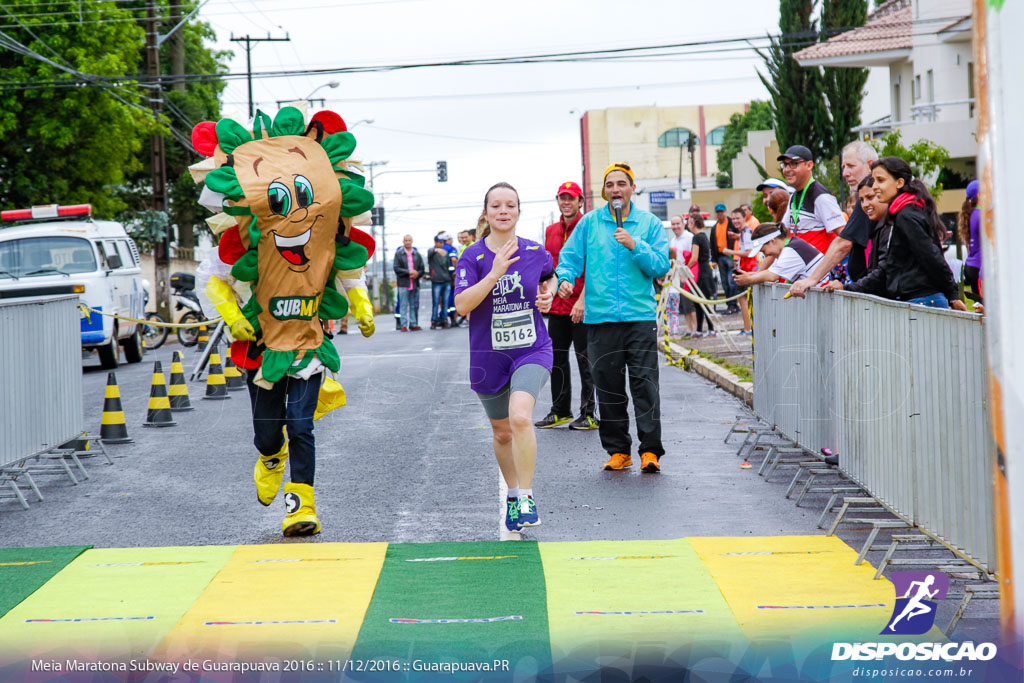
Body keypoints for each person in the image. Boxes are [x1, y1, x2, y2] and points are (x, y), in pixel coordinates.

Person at [555, 163, 670, 473]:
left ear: (632, 188)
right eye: (610, 185)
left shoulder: (648, 224)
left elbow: (660, 267)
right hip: (600, 318)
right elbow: (569, 258)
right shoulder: (590, 223)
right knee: (608, 387)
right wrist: (565, 278)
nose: (616, 189)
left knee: (645, 385)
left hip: (638, 316)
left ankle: (650, 451)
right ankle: (619, 450)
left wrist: (635, 244)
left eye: (622, 183)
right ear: (604, 191)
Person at [454, 182, 556, 531]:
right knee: (501, 433)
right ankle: (513, 494)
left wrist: (549, 295)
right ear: (486, 212)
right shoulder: (472, 256)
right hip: (488, 355)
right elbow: (463, 305)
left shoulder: (534, 251)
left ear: (517, 211)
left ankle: (526, 496)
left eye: (509, 205)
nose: (503, 211)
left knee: (520, 418)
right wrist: (495, 273)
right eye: (495, 206)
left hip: (531, 348)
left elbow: (549, 276)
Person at [844, 157, 967, 310]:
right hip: (918, 300)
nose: (874, 187)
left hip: (923, 301)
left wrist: (952, 295)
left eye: (880, 180)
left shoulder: (906, 216)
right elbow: (891, 265)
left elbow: (931, 256)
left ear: (899, 182)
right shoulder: (901, 213)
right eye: (874, 180)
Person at [535, 181, 598, 431]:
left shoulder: (589, 226)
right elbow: (548, 268)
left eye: (571, 198)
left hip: (584, 305)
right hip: (558, 307)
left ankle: (589, 413)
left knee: (586, 361)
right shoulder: (551, 230)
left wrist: (582, 299)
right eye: (563, 198)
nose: (567, 202)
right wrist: (546, 291)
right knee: (556, 359)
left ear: (580, 201)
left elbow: (595, 266)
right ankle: (560, 410)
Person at [788, 140, 877, 298]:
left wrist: (813, 278)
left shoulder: (821, 195)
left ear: (870, 165)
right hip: (867, 287)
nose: (845, 173)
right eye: (843, 167)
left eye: (851, 166)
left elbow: (844, 241)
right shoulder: (793, 197)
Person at [825, 175, 891, 297]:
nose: (865, 204)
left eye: (870, 197)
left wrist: (847, 288)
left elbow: (882, 273)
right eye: (861, 200)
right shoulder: (878, 227)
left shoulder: (891, 226)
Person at [777, 145, 847, 256]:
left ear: (809, 165)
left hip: (818, 270)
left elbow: (844, 237)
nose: (787, 170)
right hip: (801, 269)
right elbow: (783, 233)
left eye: (794, 164)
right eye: (785, 165)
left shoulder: (821, 197)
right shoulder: (793, 197)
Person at [734, 223, 827, 288]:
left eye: (763, 250)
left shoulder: (791, 250)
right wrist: (748, 275)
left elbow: (772, 276)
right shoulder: (791, 246)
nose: (765, 254)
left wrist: (749, 279)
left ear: (773, 241)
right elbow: (770, 272)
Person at [721, 208, 753, 335]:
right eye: (733, 218)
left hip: (748, 269)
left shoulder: (747, 232)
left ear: (744, 217)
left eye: (737, 218)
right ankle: (747, 327)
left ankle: (748, 329)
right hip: (743, 267)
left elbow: (749, 252)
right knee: (742, 300)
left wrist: (731, 252)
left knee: (744, 300)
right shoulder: (743, 233)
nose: (735, 221)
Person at [685, 210, 716, 337]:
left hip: (701, 273)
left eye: (688, 222)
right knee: (704, 300)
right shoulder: (704, 236)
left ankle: (704, 329)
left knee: (700, 301)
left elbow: (694, 257)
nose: (687, 224)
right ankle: (707, 328)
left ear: (693, 222)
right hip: (706, 271)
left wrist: (685, 268)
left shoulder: (696, 237)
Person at [668, 215, 696, 335]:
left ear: (683, 224)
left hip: (688, 274)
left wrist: (686, 272)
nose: (676, 227)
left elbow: (694, 257)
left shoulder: (690, 237)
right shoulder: (673, 240)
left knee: (691, 303)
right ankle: (688, 329)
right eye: (673, 224)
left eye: (678, 223)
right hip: (676, 277)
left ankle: (695, 329)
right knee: (683, 305)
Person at [710, 202, 739, 315]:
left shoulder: (732, 223)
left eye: (722, 212)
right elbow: (712, 244)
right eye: (718, 212)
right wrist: (714, 259)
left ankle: (733, 304)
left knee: (731, 281)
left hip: (731, 255)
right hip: (721, 256)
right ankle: (729, 305)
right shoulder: (715, 227)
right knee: (724, 283)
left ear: (725, 212)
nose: (720, 214)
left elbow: (738, 238)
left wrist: (736, 256)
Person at [393, 234, 424, 331]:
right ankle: (403, 324)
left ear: (412, 241)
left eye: (409, 240)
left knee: (413, 305)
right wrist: (408, 272)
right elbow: (396, 268)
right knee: (403, 305)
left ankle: (413, 324)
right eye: (406, 240)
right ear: (403, 242)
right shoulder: (399, 254)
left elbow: (422, 268)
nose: (407, 242)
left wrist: (417, 273)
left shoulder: (417, 254)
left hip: (414, 283)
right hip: (403, 284)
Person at [959, 179, 982, 304]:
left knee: (981, 308)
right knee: (987, 309)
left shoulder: (971, 214)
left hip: (971, 266)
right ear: (979, 195)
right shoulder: (981, 216)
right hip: (980, 267)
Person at [428, 233, 456, 329]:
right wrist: (437, 250)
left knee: (446, 302)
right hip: (436, 280)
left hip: (446, 280)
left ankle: (444, 319)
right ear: (436, 242)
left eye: (443, 242)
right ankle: (434, 320)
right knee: (436, 302)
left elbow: (449, 265)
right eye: (440, 242)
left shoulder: (446, 253)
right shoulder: (431, 251)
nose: (442, 244)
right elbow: (430, 252)